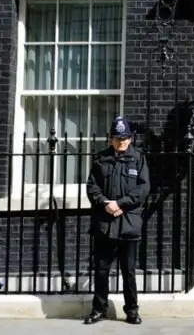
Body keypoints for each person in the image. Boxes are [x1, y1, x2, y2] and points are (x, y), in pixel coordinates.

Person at [83, 116, 150, 325]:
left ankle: (131, 310)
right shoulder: (101, 159)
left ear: (130, 139)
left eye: (124, 138)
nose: (120, 142)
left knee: (128, 272)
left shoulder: (138, 159)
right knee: (101, 271)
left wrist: (120, 204)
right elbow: (92, 187)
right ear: (110, 139)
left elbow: (143, 189)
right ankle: (99, 309)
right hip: (105, 224)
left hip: (128, 224)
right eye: (116, 138)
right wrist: (105, 203)